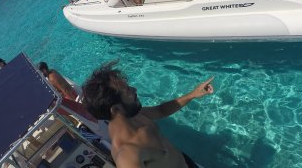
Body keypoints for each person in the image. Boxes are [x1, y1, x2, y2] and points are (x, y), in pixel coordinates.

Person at [82, 62, 214, 168]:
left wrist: (193, 94)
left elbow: (161, 110)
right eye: (127, 90)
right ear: (116, 109)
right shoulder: (127, 155)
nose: (134, 89)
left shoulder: (134, 115)